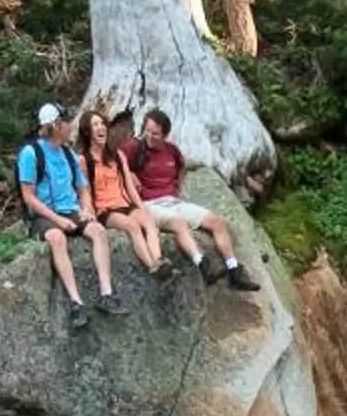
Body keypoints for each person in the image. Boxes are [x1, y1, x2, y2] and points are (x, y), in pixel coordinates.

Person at [123, 109, 261, 292]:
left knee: (216, 222)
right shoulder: (135, 148)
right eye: (147, 130)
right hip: (149, 203)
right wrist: (130, 174)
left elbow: (182, 167)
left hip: (173, 200)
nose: (150, 136)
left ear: (165, 134)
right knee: (178, 222)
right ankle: (203, 264)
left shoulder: (172, 150)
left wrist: (177, 187)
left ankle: (234, 269)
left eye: (155, 133)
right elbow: (115, 162)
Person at [16, 101, 125, 327]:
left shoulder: (67, 154)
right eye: (66, 122)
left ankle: (106, 293)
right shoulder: (30, 153)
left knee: (98, 231)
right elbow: (28, 196)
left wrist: (86, 210)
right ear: (56, 125)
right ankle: (76, 303)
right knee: (57, 238)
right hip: (44, 215)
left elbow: (83, 188)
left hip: (70, 209)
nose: (70, 126)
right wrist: (57, 220)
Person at [80, 107, 163, 279]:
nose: (101, 127)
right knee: (132, 226)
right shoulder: (83, 160)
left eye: (102, 123)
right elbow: (85, 190)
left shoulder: (117, 155)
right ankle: (152, 266)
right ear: (87, 132)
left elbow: (129, 185)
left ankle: (159, 261)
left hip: (125, 203)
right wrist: (88, 211)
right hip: (105, 209)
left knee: (147, 220)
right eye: (95, 125)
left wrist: (141, 207)